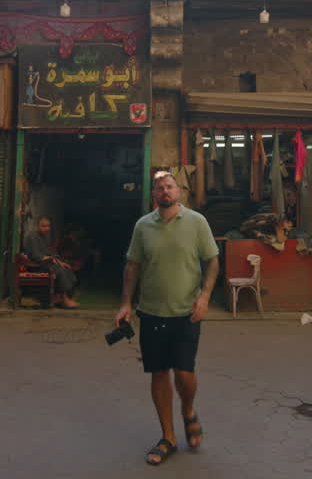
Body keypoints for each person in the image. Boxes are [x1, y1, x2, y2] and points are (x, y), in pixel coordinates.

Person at [115, 171, 220, 466]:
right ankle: (168, 437)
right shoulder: (142, 226)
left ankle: (188, 410)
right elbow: (132, 266)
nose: (165, 191)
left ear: (179, 191)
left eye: (169, 186)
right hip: (151, 312)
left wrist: (205, 297)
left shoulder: (197, 222)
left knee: (184, 372)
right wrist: (125, 303)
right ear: (154, 195)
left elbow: (212, 261)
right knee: (159, 372)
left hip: (187, 312)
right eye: (160, 187)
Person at [21, 216, 79, 309]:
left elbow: (49, 253)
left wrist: (59, 262)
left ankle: (59, 297)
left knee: (66, 268)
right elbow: (35, 256)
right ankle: (64, 300)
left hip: (45, 264)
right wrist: (51, 259)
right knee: (60, 271)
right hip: (36, 267)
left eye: (48, 226)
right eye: (43, 226)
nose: (46, 228)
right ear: (37, 226)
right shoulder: (31, 237)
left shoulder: (43, 237)